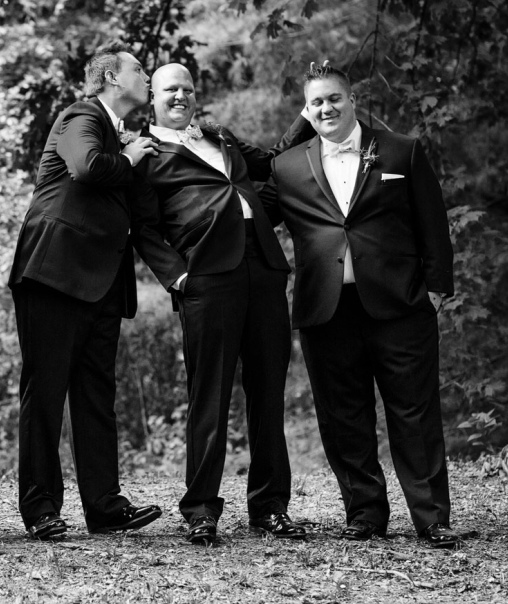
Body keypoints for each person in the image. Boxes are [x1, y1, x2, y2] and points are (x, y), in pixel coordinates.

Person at [260, 61, 459, 548]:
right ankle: (365, 513)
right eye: (316, 102)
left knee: (414, 413)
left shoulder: (401, 150)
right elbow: (249, 217)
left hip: (400, 304)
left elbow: (433, 224)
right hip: (326, 310)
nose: (326, 108)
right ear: (306, 111)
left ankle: (431, 517)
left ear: (352, 100)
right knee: (342, 416)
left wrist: (436, 289)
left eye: (334, 98)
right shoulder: (287, 168)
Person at [130, 63, 312, 544]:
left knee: (268, 391)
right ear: (152, 97)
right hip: (206, 276)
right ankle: (200, 510)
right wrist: (178, 277)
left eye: (188, 89)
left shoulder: (219, 135)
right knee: (208, 394)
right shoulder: (144, 154)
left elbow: (272, 163)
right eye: (171, 89)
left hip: (264, 268)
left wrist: (308, 114)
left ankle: (269, 508)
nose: (181, 96)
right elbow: (143, 229)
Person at [7, 42, 162, 540]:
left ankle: (105, 507)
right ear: (112, 78)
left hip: (103, 283)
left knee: (97, 396)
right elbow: (87, 167)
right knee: (46, 393)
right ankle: (40, 509)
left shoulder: (124, 136)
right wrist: (130, 157)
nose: (147, 76)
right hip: (54, 273)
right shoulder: (82, 115)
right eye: (139, 68)